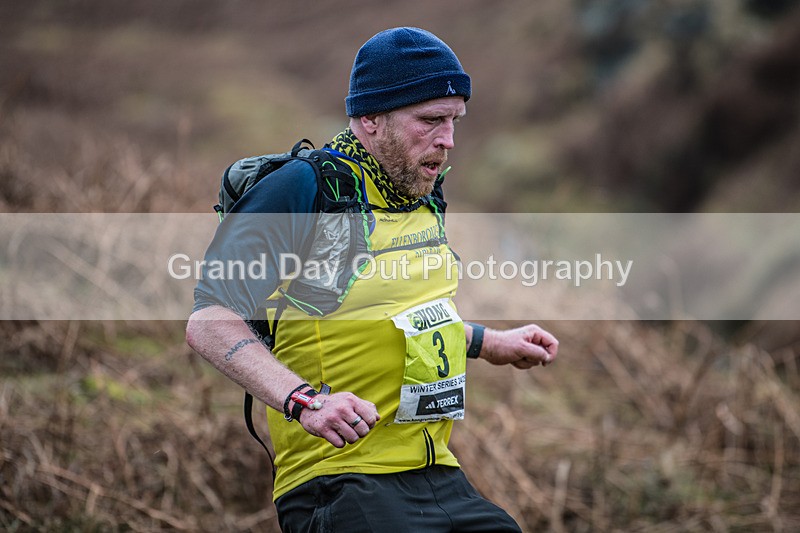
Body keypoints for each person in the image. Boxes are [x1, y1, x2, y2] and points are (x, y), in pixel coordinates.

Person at [186, 27, 558, 532]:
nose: (447, 140)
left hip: (434, 469)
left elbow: (394, 316)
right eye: (430, 121)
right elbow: (210, 319)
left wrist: (489, 342)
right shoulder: (304, 188)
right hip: (340, 479)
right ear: (370, 118)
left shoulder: (420, 190)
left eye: (453, 121)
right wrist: (306, 402)